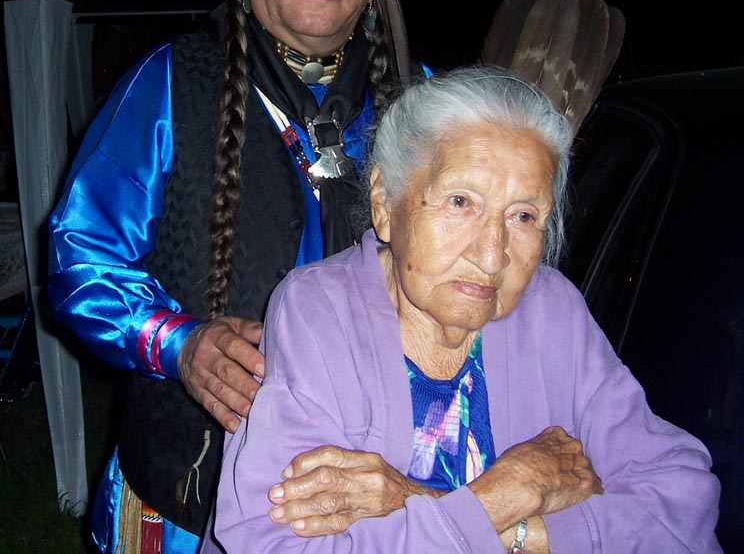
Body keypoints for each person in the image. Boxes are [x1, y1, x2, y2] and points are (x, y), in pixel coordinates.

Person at [47, 0, 419, 552]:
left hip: (367, 498)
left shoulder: (419, 108)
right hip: (190, 498)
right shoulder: (171, 86)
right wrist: (178, 343)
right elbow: (79, 255)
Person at [203, 65, 723, 553]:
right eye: (460, 202)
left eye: (523, 216)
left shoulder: (551, 311)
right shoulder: (319, 313)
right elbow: (274, 542)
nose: (492, 255)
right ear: (385, 203)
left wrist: (437, 508)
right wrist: (508, 493)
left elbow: (682, 505)